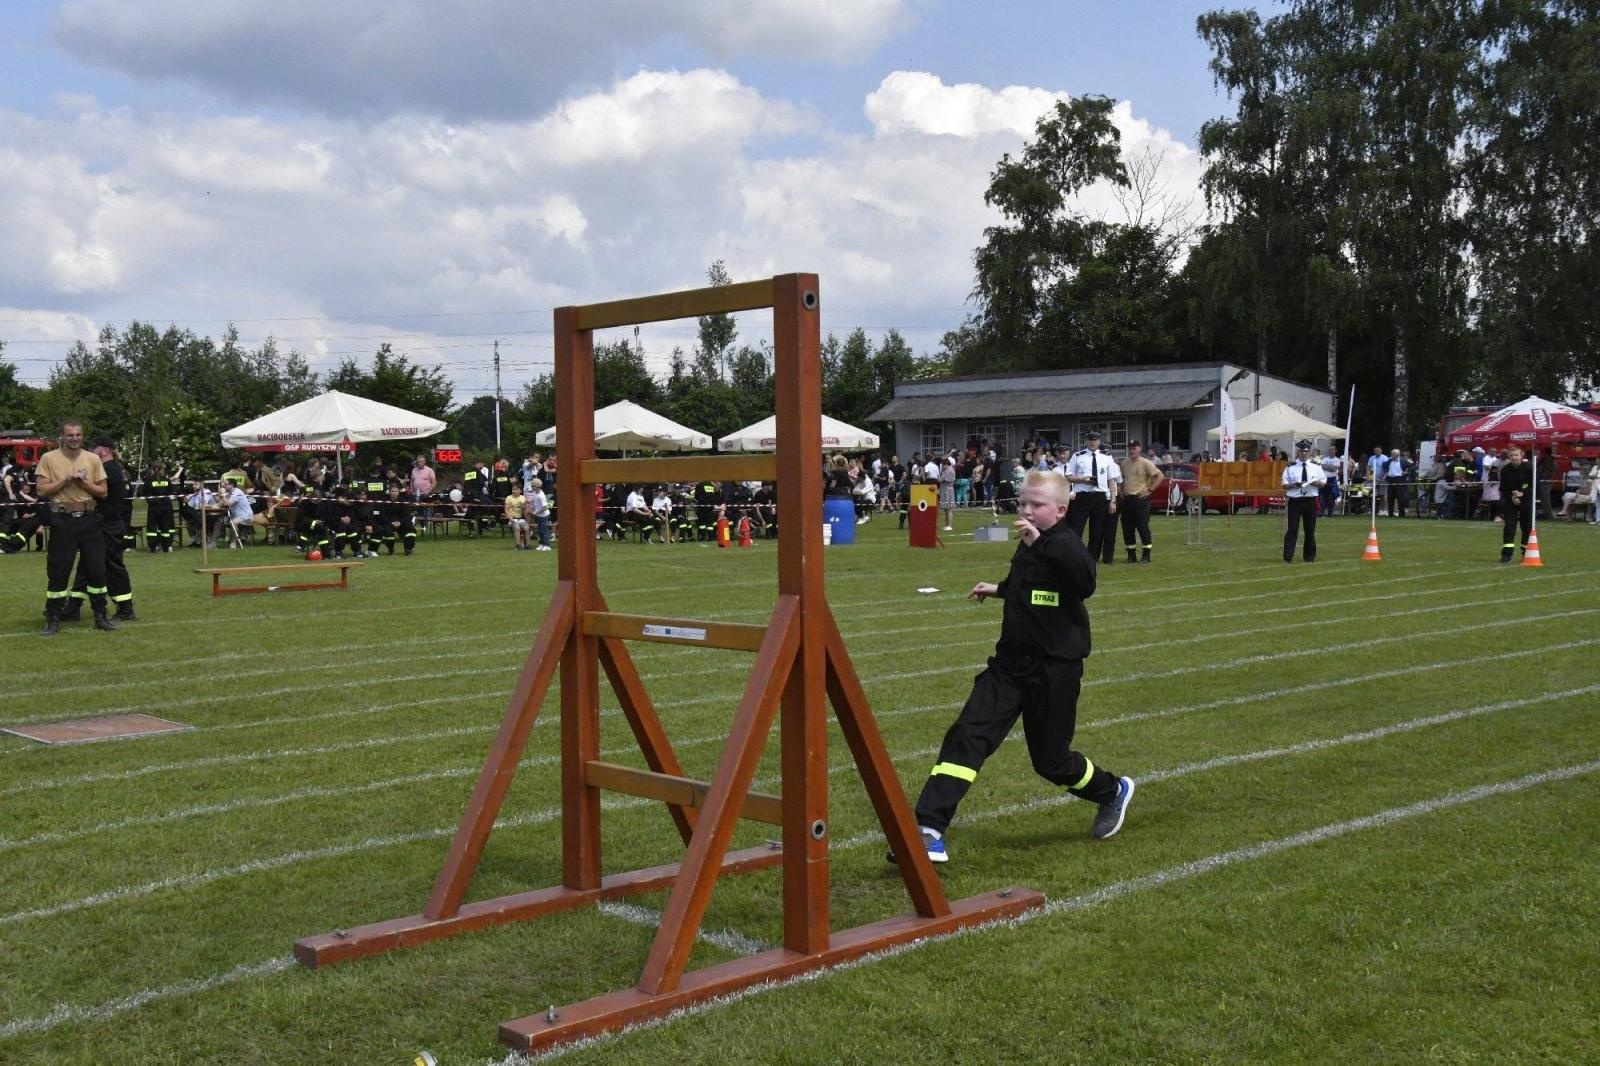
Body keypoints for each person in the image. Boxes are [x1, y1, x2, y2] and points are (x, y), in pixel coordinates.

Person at [899, 470, 1133, 864]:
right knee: (968, 734)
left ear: (1060, 510)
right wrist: (1000, 589)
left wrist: (1040, 543)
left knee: (1052, 761)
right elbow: (1030, 583)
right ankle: (929, 827)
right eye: (1023, 503)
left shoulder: (1066, 543)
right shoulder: (1030, 541)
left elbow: (1082, 582)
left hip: (1055, 669)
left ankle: (1112, 791)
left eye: (1036, 505)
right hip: (1009, 664)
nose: (1025, 510)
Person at [34, 420, 115, 635]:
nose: (74, 438)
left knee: (96, 570)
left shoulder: (93, 458)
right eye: (70, 435)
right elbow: (42, 490)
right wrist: (66, 480)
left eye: (78, 435)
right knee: (59, 570)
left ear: (82, 436)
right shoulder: (49, 458)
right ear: (62, 436)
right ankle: (53, 618)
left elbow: (103, 492)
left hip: (89, 519)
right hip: (63, 519)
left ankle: (100, 615)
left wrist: (83, 484)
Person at [65, 437, 137, 621]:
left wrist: (80, 482)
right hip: (100, 524)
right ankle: (73, 606)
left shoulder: (109, 469)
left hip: (108, 525)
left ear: (104, 450)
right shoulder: (110, 468)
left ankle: (126, 608)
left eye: (92, 448)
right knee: (86, 564)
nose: (89, 451)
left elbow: (95, 491)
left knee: (112, 566)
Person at [1064, 429, 1119, 564]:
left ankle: (1092, 558)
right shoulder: (1078, 456)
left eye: (1095, 440)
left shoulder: (1106, 457)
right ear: (1086, 441)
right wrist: (1083, 480)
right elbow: (1068, 477)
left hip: (1100, 497)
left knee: (1097, 530)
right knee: (1076, 529)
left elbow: (1112, 480)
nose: (1093, 442)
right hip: (1082, 496)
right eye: (1090, 439)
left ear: (1099, 441)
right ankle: (1073, 556)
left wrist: (1113, 500)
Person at [1117, 440, 1164, 564]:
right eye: (1130, 448)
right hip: (1127, 500)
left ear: (1139, 449)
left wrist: (1150, 490)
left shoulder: (1146, 463)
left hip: (1140, 499)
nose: (1132, 451)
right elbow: (1121, 480)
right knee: (1127, 528)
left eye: (1134, 448)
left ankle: (1146, 555)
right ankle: (1131, 555)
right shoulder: (1124, 463)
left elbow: (1160, 476)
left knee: (1142, 527)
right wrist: (1121, 492)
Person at [1281, 439, 1327, 562]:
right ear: (1298, 452)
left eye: (1306, 451)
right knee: (1292, 529)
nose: (1304, 453)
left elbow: (1323, 482)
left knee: (1310, 529)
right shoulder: (1290, 466)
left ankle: (1309, 557)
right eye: (1302, 451)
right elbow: (1284, 484)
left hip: (1310, 500)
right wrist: (1294, 485)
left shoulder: (1315, 466)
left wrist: (1316, 483)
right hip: (1295, 500)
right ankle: (1288, 556)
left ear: (1310, 452)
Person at [1497, 446, 1534, 563]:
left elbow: (1534, 486)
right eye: (1512, 455)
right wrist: (1512, 497)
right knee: (1509, 527)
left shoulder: (1529, 468)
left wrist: (1522, 494)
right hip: (1510, 502)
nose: (1514, 457)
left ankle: (1526, 553)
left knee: (1527, 528)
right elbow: (1502, 488)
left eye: (1516, 455)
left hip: (1526, 501)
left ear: (1521, 455)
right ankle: (1507, 554)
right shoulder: (1505, 470)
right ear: (1509, 457)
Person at [143, 460, 178, 552]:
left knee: (152, 527)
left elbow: (145, 492)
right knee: (165, 527)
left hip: (154, 507)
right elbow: (171, 492)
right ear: (160, 469)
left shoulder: (149, 479)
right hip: (166, 507)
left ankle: (153, 546)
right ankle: (166, 546)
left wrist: (150, 500)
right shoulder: (166, 479)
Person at [505, 483, 531, 549]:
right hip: (512, 518)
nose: (514, 491)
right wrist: (511, 519)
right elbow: (506, 509)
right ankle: (518, 545)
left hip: (521, 519)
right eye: (513, 489)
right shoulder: (508, 498)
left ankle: (527, 545)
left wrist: (527, 519)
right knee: (517, 528)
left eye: (516, 489)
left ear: (520, 491)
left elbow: (525, 510)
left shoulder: (523, 498)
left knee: (527, 528)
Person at [530, 478, 553, 550]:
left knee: (544, 530)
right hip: (539, 515)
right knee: (540, 530)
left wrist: (536, 512)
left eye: (532, 486)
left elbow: (545, 507)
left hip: (544, 516)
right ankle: (541, 544)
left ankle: (547, 545)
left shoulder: (541, 495)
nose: (531, 487)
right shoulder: (536, 493)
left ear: (536, 486)